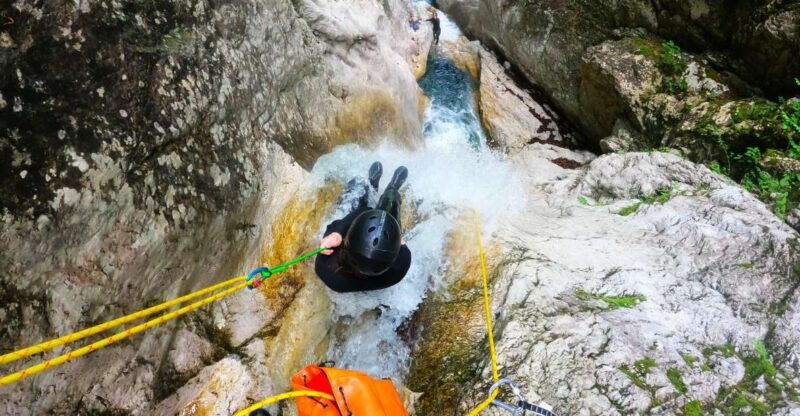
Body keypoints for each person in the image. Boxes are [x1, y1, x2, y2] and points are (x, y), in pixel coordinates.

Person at [315, 162, 412, 293]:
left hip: (348, 268)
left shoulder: (325, 267)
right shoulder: (401, 265)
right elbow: (401, 244)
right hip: (376, 274)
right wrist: (394, 236)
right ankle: (392, 190)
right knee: (391, 200)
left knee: (357, 184)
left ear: (346, 241)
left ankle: (371, 185)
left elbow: (362, 212)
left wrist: (336, 233)